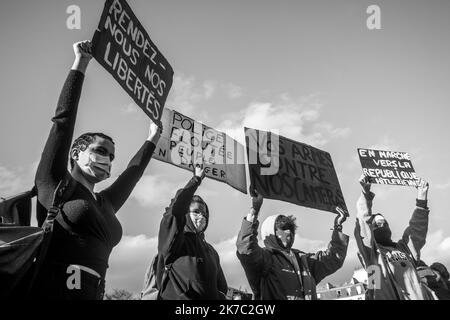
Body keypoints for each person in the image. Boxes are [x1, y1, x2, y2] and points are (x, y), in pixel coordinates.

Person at [33, 41, 161, 299]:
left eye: (112, 156)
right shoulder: (55, 183)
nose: (108, 159)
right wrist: (80, 63)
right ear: (76, 153)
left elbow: (132, 174)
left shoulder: (106, 202)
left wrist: (153, 137)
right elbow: (62, 123)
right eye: (100, 151)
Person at [236, 189, 349, 300]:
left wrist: (338, 226)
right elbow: (245, 247)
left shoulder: (305, 261)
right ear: (270, 232)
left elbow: (333, 259)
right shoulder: (264, 259)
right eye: (283, 228)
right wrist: (254, 210)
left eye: (291, 229)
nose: (289, 232)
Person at [354, 174, 435, 300]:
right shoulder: (371, 253)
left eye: (384, 223)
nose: (382, 225)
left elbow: (417, 230)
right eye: (377, 224)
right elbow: (363, 224)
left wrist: (422, 198)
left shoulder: (404, 249)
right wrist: (365, 194)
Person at [156, 164, 228, 300]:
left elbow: (222, 288)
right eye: (196, 212)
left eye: (204, 213)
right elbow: (176, 210)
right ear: (186, 214)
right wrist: (195, 180)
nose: (201, 216)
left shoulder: (211, 251)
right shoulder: (175, 240)